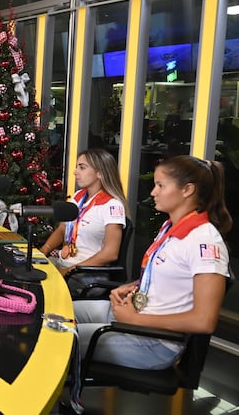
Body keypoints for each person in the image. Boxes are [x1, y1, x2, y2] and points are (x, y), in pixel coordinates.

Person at [73, 155, 232, 369]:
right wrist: (133, 286)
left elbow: (204, 321)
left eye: (160, 186)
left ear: (187, 190)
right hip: (137, 317)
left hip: (153, 341)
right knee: (62, 312)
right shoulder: (170, 227)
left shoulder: (204, 241)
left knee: (64, 338)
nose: (153, 192)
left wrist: (134, 320)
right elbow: (170, 278)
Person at [39, 148, 128, 294]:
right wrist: (44, 250)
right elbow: (63, 229)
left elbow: (111, 253)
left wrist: (69, 270)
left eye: (82, 167)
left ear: (100, 173)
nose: (75, 172)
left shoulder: (112, 205)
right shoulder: (78, 196)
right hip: (65, 264)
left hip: (87, 274)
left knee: (39, 287)